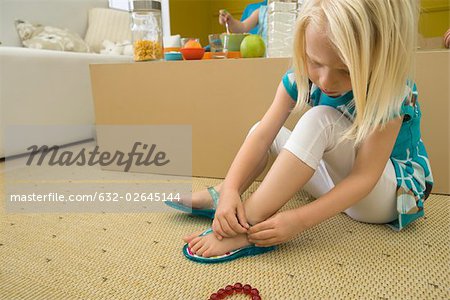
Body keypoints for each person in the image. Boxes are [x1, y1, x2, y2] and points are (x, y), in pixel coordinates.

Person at [172, 0, 433, 262]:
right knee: (261, 130)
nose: (326, 81)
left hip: (387, 197)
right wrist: (231, 188)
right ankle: (223, 196)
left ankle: (246, 225)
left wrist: (299, 220)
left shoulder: (390, 90)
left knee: (320, 119)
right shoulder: (302, 77)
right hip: (341, 185)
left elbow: (364, 178)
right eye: (314, 61)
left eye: (346, 70)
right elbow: (263, 135)